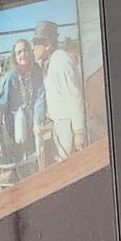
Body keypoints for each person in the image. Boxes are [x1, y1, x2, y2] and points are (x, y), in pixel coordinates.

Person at [0, 37, 46, 179]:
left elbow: (39, 97)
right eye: (19, 52)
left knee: (34, 160)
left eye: (25, 50)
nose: (23, 54)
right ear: (14, 56)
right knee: (19, 166)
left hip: (31, 125)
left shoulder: (35, 73)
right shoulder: (10, 77)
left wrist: (37, 122)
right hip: (13, 129)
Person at [45, 23, 88, 159]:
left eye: (36, 44)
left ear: (47, 45)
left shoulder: (60, 62)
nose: (33, 49)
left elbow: (74, 96)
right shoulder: (52, 61)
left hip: (68, 124)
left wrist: (79, 131)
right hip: (61, 123)